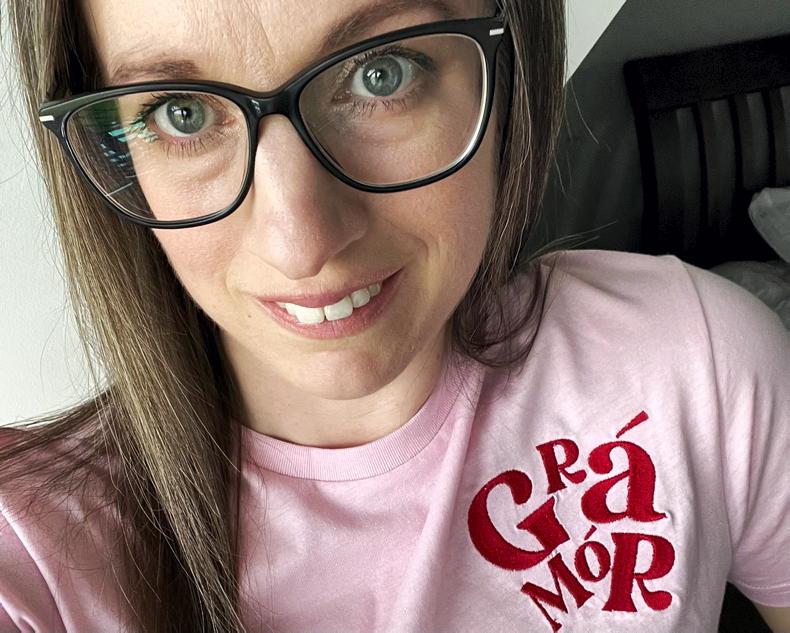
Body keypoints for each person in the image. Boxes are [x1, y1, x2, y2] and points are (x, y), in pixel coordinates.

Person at [1, 0, 788, 631]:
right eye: (182, 113)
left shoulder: (696, 364)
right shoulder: (36, 547)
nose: (301, 243)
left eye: (380, 73)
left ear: (508, 61)